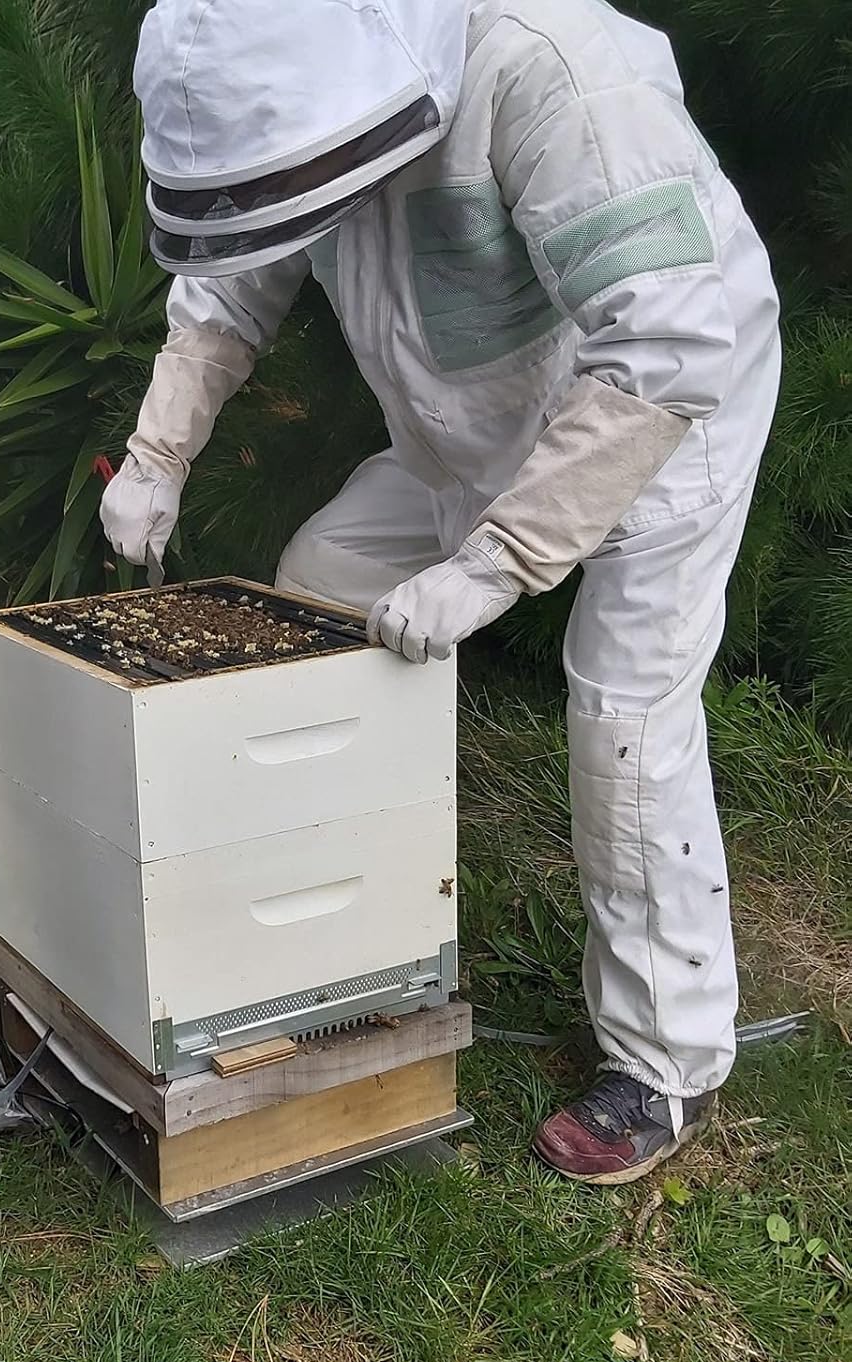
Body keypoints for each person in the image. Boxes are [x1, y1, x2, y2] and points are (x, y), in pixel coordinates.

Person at [108, 0, 781, 1184]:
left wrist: (494, 563)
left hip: (663, 418)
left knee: (625, 724)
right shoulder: (301, 84)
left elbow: (671, 346)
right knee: (322, 584)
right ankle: (348, 925)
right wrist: (159, 454)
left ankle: (663, 1061)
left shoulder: (556, 71)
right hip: (467, 425)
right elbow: (233, 284)